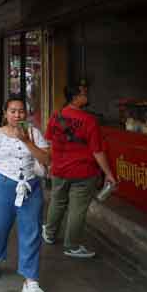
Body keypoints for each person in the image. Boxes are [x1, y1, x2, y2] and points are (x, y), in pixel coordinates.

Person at [0, 95, 50, 292]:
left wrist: (26, 141)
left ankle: (31, 281)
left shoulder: (34, 134)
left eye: (21, 111)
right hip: (2, 185)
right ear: (5, 113)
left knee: (32, 232)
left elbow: (46, 160)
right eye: (13, 111)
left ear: (26, 113)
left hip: (30, 187)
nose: (17, 115)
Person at [42, 84, 117, 259]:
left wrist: (50, 165)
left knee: (57, 201)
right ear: (75, 97)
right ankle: (72, 245)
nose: (87, 95)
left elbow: (51, 143)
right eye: (84, 94)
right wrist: (108, 173)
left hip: (59, 169)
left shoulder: (56, 116)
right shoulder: (89, 120)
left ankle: (50, 234)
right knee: (77, 209)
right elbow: (97, 151)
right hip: (83, 172)